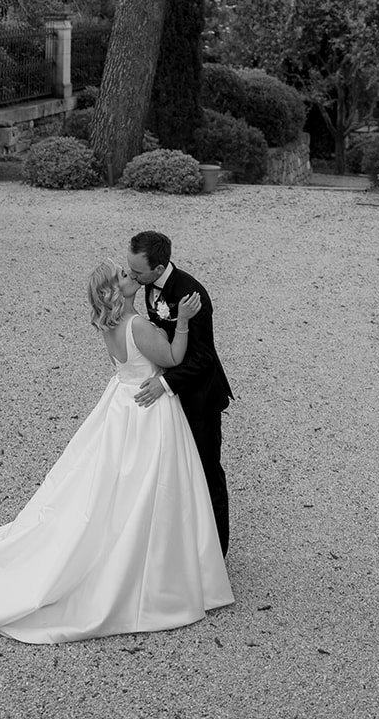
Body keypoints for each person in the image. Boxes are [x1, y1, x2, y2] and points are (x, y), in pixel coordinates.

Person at [0, 260, 233, 645]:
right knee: (152, 483)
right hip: (147, 409)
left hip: (122, 404)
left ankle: (144, 555)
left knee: (123, 486)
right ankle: (155, 569)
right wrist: (184, 320)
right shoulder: (136, 325)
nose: (130, 276)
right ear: (113, 293)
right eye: (123, 276)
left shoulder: (109, 326)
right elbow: (172, 357)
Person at [126, 229, 233, 555]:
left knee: (206, 472)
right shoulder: (149, 285)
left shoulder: (191, 294)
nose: (131, 275)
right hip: (171, 401)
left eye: (137, 272)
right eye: (129, 268)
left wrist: (164, 382)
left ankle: (216, 554)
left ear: (159, 269)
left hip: (199, 397)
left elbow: (203, 358)